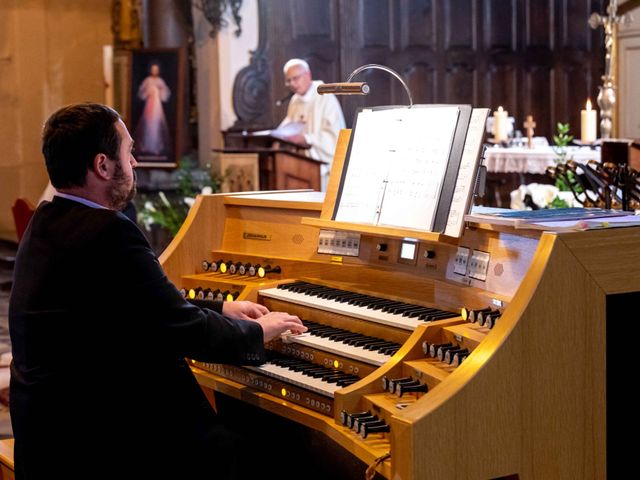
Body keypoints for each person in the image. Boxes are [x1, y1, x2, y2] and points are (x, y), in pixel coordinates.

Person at [9, 103, 306, 479]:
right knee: (267, 451)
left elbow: (136, 303)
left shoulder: (47, 220)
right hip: (97, 443)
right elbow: (183, 329)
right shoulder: (108, 231)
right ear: (102, 165)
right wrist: (258, 333)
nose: (134, 163)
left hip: (49, 436)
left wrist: (222, 308)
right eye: (128, 152)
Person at [277, 58, 346, 191]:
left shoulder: (325, 96)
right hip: (298, 169)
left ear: (308, 75)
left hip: (323, 170)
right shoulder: (295, 100)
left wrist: (306, 138)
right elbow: (288, 126)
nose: (292, 83)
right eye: (288, 80)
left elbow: (335, 136)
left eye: (295, 78)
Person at [134, 62, 172, 157]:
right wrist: (148, 92)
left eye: (156, 69)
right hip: (149, 105)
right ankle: (147, 146)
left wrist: (159, 91)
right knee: (148, 124)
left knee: (157, 125)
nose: (154, 71)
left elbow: (166, 92)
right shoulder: (147, 80)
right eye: (153, 69)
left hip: (157, 106)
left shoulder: (160, 81)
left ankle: (156, 147)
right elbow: (142, 92)